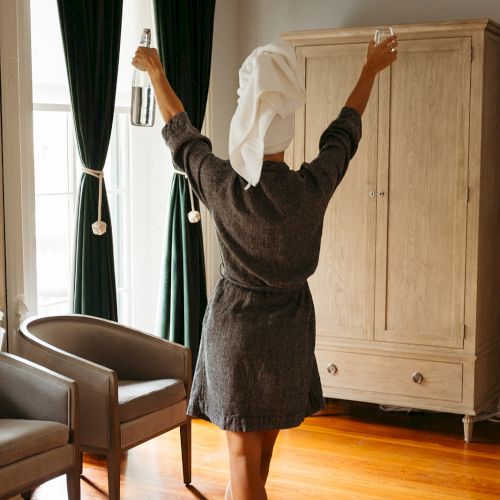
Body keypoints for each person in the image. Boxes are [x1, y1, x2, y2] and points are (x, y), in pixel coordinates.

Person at [133, 34, 397, 500]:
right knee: (261, 460)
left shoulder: (223, 186)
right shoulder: (312, 186)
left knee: (242, 462)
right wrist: (369, 71)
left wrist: (156, 74)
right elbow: (344, 133)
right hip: (289, 335)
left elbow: (181, 134)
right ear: (288, 128)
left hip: (234, 334)